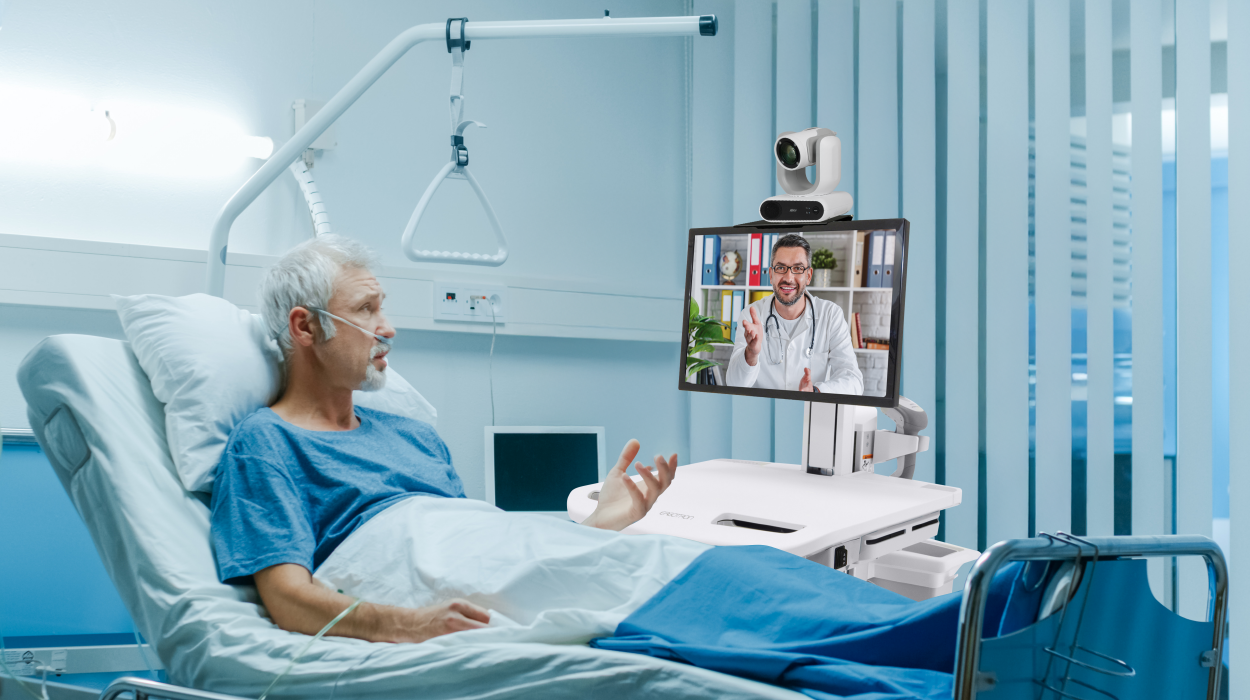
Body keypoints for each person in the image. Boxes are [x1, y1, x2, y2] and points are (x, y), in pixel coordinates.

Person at [209, 235, 680, 645]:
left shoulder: (414, 436)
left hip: (470, 553)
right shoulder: (266, 443)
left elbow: (496, 565)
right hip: (380, 559)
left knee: (671, 561)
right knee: (673, 584)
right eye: (365, 309)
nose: (387, 327)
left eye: (382, 306)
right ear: (305, 326)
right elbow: (288, 598)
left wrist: (598, 528)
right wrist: (408, 624)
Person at [724, 234, 863, 394]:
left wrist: (816, 392)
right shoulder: (751, 316)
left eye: (797, 268)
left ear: (808, 275)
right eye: (781, 268)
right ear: (770, 275)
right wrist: (751, 353)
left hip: (811, 412)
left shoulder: (831, 315)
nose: (788, 278)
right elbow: (734, 384)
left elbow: (854, 381)